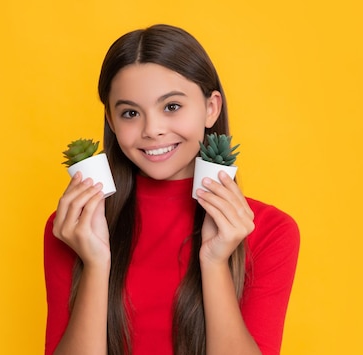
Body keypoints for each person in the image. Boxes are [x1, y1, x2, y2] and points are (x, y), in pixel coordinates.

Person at [43, 24, 300, 355]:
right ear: (111, 120)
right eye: (131, 113)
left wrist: (214, 261)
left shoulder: (270, 231)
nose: (153, 130)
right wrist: (95, 264)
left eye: (172, 107)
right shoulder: (73, 228)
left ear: (211, 108)